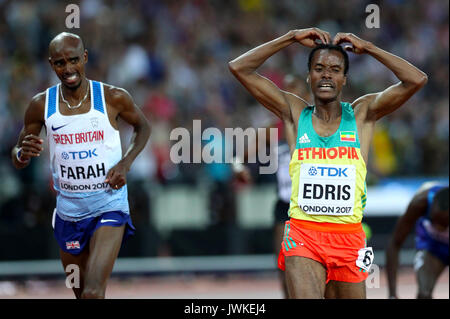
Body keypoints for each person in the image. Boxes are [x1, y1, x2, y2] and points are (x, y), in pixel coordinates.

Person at [229, 27, 428, 298]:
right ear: (309, 76)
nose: (326, 75)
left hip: (348, 238)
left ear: (345, 78)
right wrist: (289, 37)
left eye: (335, 70)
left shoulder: (362, 114)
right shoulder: (293, 113)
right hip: (304, 234)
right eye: (319, 68)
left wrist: (369, 48)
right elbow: (239, 68)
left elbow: (416, 80)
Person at [11, 32, 151, 299]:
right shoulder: (41, 105)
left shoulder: (112, 97)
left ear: (84, 58)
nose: (69, 69)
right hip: (69, 213)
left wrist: (125, 163)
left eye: (74, 60)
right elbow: (18, 154)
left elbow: (143, 126)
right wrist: (21, 154)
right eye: (60, 63)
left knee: (93, 292)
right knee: (82, 295)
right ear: (51, 64)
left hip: (108, 205)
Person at [386, 182, 448, 299]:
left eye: (443, 223)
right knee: (424, 294)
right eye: (434, 220)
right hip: (433, 246)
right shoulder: (420, 203)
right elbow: (394, 243)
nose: (439, 228)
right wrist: (392, 294)